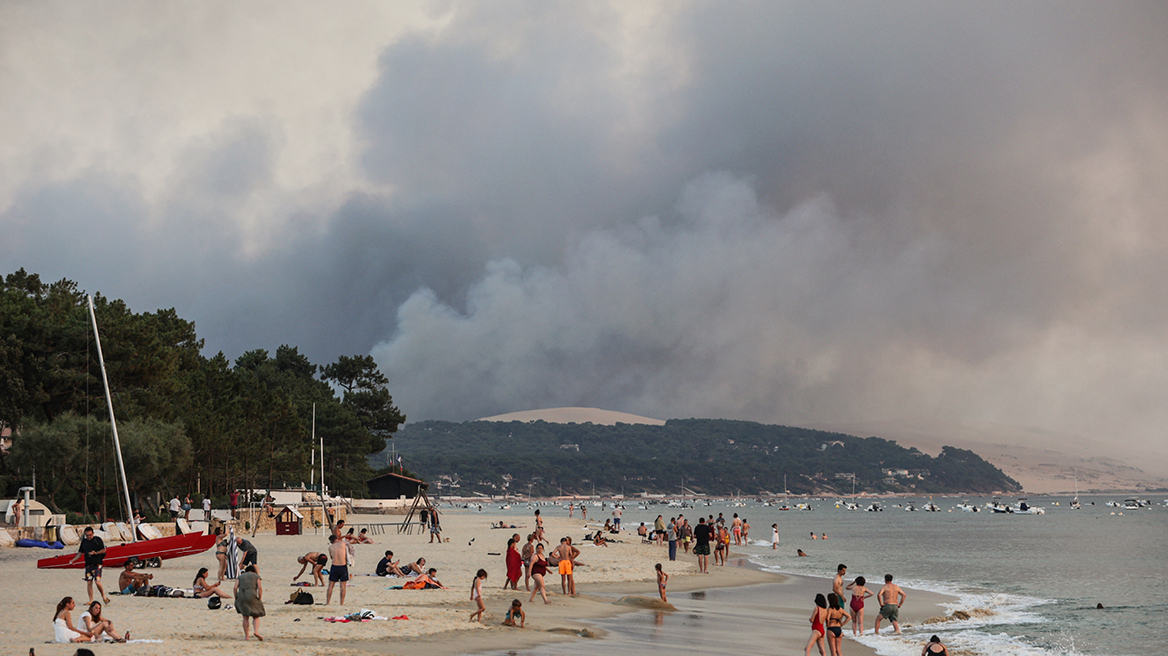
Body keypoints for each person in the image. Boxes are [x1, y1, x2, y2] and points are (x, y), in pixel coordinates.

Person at [74, 526, 109, 604]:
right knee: (89, 582)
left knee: (97, 581)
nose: (89, 537)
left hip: (98, 564)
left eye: (90, 535)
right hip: (88, 565)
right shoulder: (84, 542)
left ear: (93, 533)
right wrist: (73, 560)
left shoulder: (97, 540)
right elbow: (80, 552)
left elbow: (104, 550)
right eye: (87, 535)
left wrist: (95, 553)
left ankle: (104, 597)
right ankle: (91, 600)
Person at [233, 564, 265, 640]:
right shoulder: (256, 576)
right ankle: (256, 631)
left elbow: (235, 588)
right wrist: (259, 598)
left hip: (241, 595)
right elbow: (259, 588)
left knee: (245, 616)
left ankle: (246, 636)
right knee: (256, 615)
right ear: (253, 571)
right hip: (252, 595)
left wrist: (236, 597)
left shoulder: (240, 576)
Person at [326, 534, 349, 606]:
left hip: (334, 566)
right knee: (342, 586)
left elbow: (332, 557)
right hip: (342, 566)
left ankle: (328, 602)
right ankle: (341, 603)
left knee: (330, 585)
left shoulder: (330, 547)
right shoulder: (343, 543)